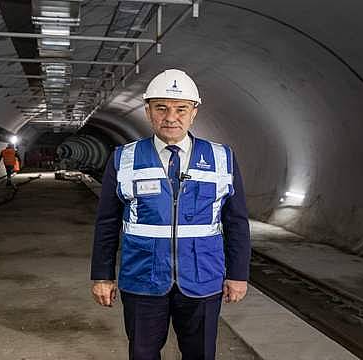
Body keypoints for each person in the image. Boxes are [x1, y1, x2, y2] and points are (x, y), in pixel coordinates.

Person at [91, 69, 251, 360]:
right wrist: (102, 275)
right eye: (161, 108)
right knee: (143, 354)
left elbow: (236, 221)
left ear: (194, 113)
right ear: (148, 111)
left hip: (203, 278)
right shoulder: (123, 158)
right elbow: (107, 222)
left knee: (200, 354)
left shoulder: (221, 157)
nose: (171, 117)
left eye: (181, 109)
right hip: (142, 278)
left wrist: (239, 274)